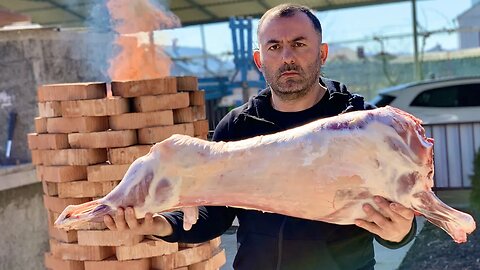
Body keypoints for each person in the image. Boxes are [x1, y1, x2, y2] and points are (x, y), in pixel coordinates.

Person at [104, 4, 417, 270]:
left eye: (299, 44)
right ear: (259, 60)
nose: (287, 57)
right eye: (274, 46)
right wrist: (157, 224)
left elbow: (399, 208)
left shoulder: (362, 124)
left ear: (322, 53)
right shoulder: (237, 127)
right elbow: (214, 212)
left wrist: (401, 230)